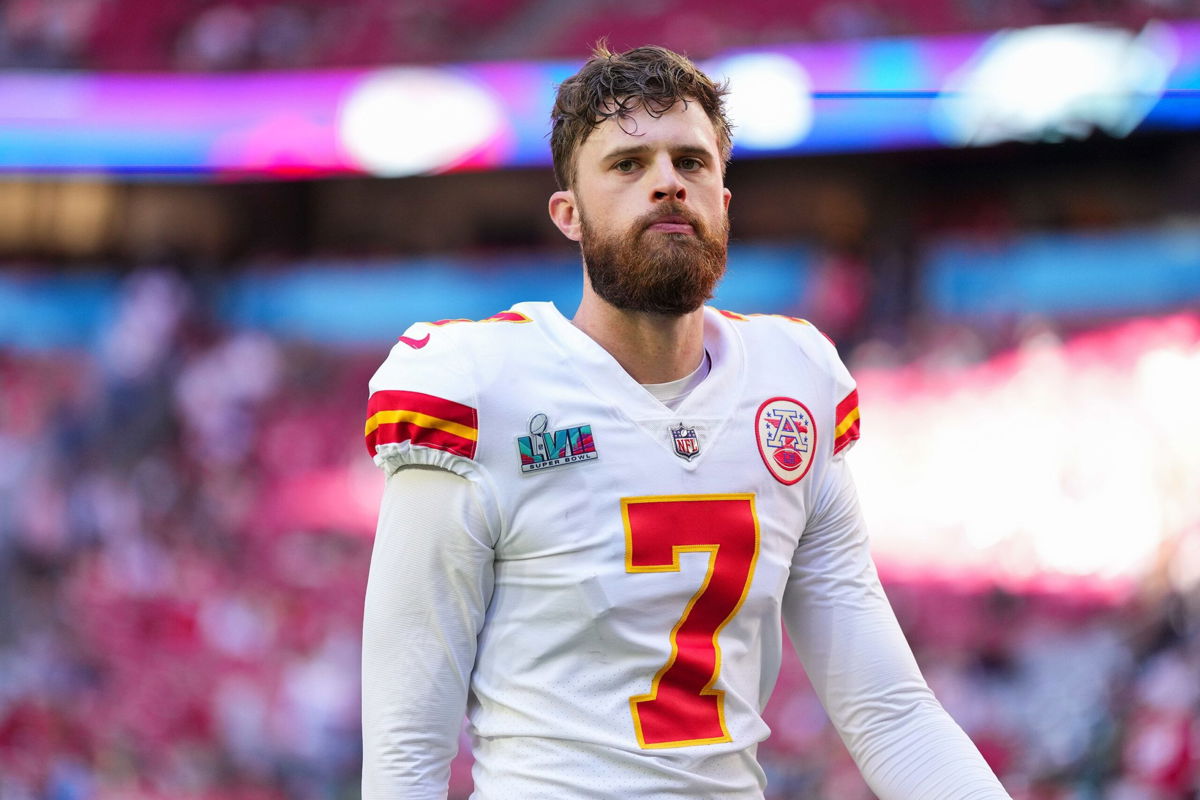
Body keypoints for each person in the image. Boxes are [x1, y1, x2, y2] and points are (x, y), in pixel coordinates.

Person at [361, 44, 1012, 799]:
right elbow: (409, 743)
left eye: (691, 162)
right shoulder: (479, 387)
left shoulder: (790, 382)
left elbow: (890, 711)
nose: (668, 181)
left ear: (724, 202)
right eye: (629, 164)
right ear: (569, 215)